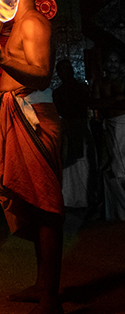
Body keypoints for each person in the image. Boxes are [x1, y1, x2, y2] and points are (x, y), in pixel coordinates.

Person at [0, 0, 62, 314]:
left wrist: (2, 59)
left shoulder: (31, 22)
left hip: (34, 117)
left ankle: (49, 297)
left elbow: (41, 74)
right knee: (33, 203)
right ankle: (42, 285)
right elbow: (19, 63)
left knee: (46, 208)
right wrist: (1, 54)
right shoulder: (19, 24)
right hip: (19, 113)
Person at [52, 59, 95, 211]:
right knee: (70, 164)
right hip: (68, 129)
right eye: (61, 69)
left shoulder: (81, 89)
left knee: (84, 163)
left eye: (67, 68)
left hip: (81, 127)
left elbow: (86, 105)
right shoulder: (57, 93)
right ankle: (71, 199)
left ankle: (85, 199)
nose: (65, 72)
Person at [91, 50, 125, 220]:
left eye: (116, 61)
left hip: (122, 124)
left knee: (121, 168)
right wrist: (116, 98)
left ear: (122, 65)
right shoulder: (100, 83)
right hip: (108, 126)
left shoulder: (123, 80)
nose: (112, 64)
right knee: (109, 166)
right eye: (109, 61)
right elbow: (96, 103)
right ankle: (115, 211)